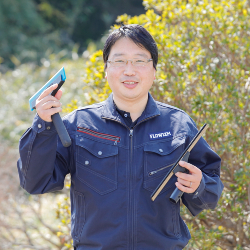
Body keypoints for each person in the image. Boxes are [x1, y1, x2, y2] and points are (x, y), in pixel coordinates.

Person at [17, 24, 224, 250]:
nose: (129, 70)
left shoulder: (178, 124)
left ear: (154, 70)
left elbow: (211, 192)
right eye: (120, 61)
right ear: (106, 70)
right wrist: (42, 125)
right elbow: (35, 182)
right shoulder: (79, 125)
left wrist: (199, 185)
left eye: (139, 60)